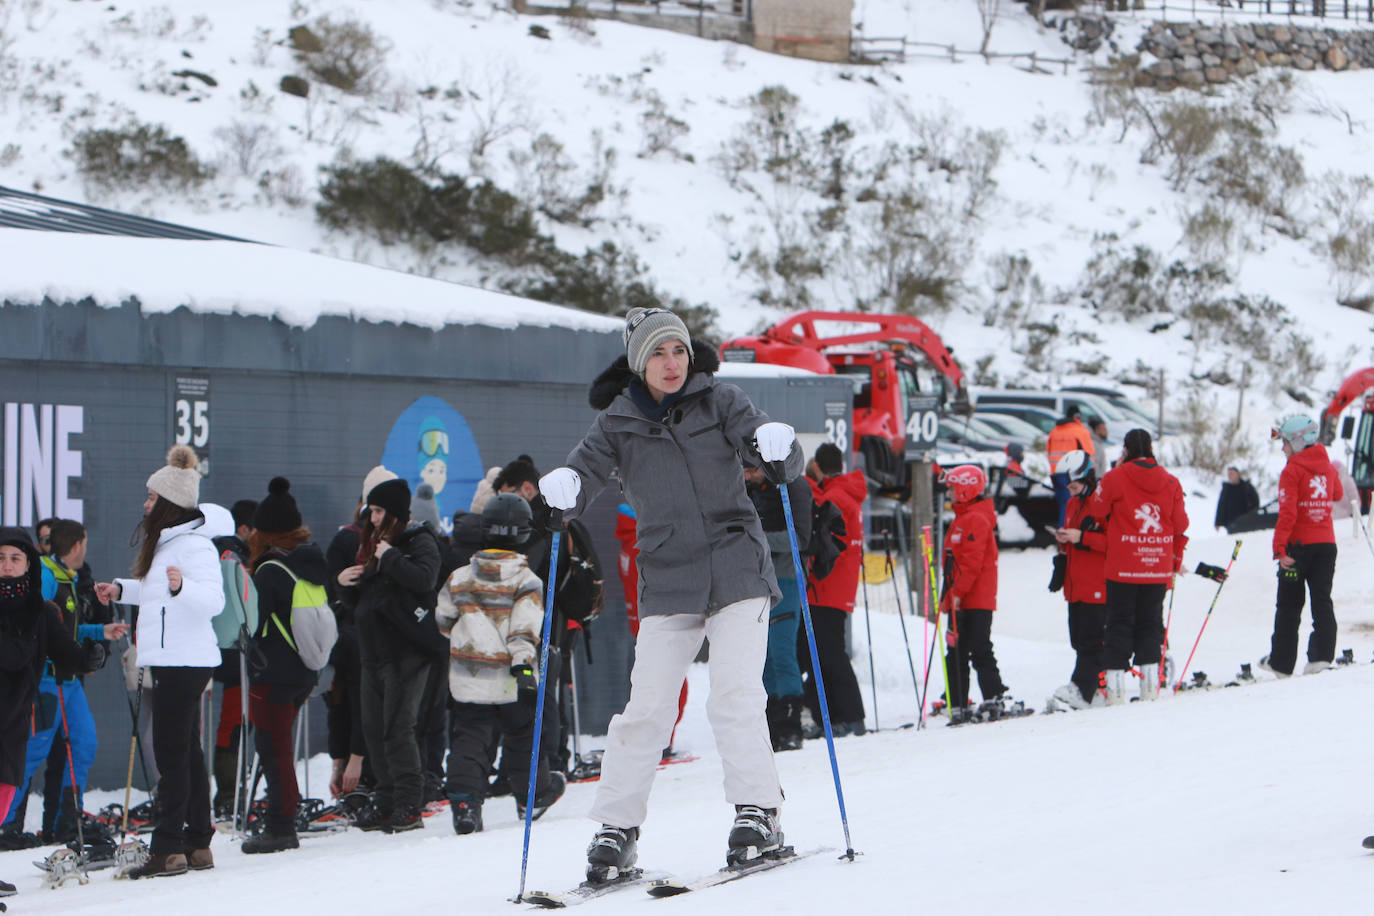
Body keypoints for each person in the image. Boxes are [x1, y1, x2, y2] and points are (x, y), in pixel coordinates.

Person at [538, 306, 804, 881]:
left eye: (679, 350)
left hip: (737, 568)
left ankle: (760, 812)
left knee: (733, 695)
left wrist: (777, 445)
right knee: (645, 709)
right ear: (638, 361)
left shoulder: (721, 400)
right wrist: (562, 493)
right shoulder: (616, 423)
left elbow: (769, 450)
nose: (671, 362)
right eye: (658, 352)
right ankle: (618, 828)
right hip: (669, 578)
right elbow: (582, 475)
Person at [95, 445, 230, 878]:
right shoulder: (169, 544)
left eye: (151, 498)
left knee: (172, 754)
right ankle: (196, 843)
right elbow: (156, 593)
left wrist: (180, 589)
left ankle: (168, 848)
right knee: (185, 751)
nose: (144, 504)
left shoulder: (193, 547)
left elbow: (212, 600)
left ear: (169, 503)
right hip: (175, 659)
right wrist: (121, 590)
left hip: (184, 661)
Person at [436, 493, 565, 835]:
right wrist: (523, 666)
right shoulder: (528, 582)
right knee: (523, 737)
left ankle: (465, 803)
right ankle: (531, 797)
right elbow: (525, 630)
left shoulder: (460, 578)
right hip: (513, 678)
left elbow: (443, 620)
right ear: (524, 533)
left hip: (470, 678)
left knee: (469, 739)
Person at [0, 527, 112, 892]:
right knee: (19, 768)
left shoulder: (42, 605)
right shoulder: (47, 583)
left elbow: (64, 645)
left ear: (27, 563)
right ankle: (17, 827)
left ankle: (62, 820)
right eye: (1, 558)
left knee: (9, 780)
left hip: (21, 706)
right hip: (32, 693)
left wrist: (89, 654)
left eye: (15, 558)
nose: (7, 565)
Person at [338, 477, 442, 834]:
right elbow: (367, 602)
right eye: (372, 510)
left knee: (399, 728)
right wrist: (346, 585)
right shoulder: (372, 544)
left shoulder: (419, 541)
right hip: (373, 653)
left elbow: (425, 580)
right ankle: (385, 799)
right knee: (374, 727)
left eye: (380, 511)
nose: (374, 517)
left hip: (407, 652)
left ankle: (408, 803)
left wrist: (390, 558)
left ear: (395, 513)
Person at [498, 456, 604, 778]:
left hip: (549, 617)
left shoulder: (543, 521)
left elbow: (537, 573)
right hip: (560, 616)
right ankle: (553, 758)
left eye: (510, 493)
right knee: (548, 689)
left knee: (543, 690)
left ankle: (551, 762)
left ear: (527, 488)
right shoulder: (553, 516)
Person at [241, 477, 324, 854]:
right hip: (305, 670)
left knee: (274, 750)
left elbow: (256, 626)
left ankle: (281, 826)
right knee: (280, 748)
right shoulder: (308, 562)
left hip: (272, 674)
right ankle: (281, 817)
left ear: (264, 532)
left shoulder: (268, 571)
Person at [1090, 429, 1188, 704]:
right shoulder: (1170, 481)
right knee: (1150, 625)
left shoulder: (1115, 478)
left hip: (1123, 566)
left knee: (1118, 624)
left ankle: (1116, 689)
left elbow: (1096, 511)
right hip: (1156, 566)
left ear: (1126, 449)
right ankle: (1149, 689)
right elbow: (1180, 524)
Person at [323, 466, 394, 801]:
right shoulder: (347, 539)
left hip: (379, 641)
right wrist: (339, 584)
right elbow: (326, 585)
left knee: (373, 707)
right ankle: (354, 771)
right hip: (351, 640)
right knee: (349, 701)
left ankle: (364, 772)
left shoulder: (399, 543)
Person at [1261, 416, 1342, 678]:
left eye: (1285, 442)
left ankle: (1281, 664)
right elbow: (1337, 494)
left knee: (1289, 605)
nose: (1283, 448)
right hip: (1326, 545)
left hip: (1298, 548)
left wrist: (1279, 550)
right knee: (1322, 601)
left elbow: (1287, 512)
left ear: (1297, 442)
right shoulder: (1327, 467)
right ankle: (1320, 658)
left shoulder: (1292, 470)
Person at [799, 442, 867, 736]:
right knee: (822, 653)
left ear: (817, 467)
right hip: (834, 588)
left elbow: (821, 526)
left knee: (827, 653)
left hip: (827, 588)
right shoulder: (846, 493)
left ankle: (847, 716)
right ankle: (834, 716)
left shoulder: (836, 496)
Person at [744, 459, 811, 751]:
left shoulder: (792, 487)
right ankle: (771, 722)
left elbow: (799, 538)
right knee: (764, 657)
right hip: (756, 580)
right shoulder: (747, 489)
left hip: (784, 575)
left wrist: (755, 540)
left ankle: (790, 723)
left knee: (782, 653)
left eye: (752, 470)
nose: (747, 476)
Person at [612, 503, 689, 756]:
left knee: (658, 680)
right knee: (671, 680)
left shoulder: (629, 543)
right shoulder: (645, 547)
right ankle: (663, 738)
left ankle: (660, 736)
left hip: (644, 623)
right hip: (659, 621)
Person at [937, 465, 1007, 713]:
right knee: (955, 651)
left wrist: (956, 593)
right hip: (960, 597)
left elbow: (971, 563)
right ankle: (956, 700)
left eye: (953, 488)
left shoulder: (975, 519)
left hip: (975, 598)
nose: (949, 493)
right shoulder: (962, 518)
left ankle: (994, 695)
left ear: (966, 490)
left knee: (979, 647)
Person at [1048, 451, 1109, 710]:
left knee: (1091, 641)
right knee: (1078, 639)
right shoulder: (1073, 504)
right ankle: (1094, 689)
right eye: (1068, 488)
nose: (1071, 493)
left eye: (1074, 487)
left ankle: (1083, 688)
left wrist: (1082, 537)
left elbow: (1112, 543)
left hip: (1096, 585)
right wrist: (1065, 539)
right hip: (1075, 585)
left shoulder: (1103, 502)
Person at [210, 498, 255, 820]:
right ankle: (229, 796)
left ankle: (225, 796)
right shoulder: (232, 559)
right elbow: (248, 609)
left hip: (205, 650)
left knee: (226, 728)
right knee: (234, 727)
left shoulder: (198, 557)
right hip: (237, 653)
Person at [1047, 410, 1096, 526]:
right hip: (1075, 476)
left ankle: (1062, 537)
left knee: (1064, 506)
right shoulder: (1080, 431)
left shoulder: (1054, 432)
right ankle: (1067, 537)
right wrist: (1092, 476)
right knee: (1073, 508)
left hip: (1057, 475)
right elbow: (1089, 455)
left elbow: (1049, 453)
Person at [1214, 467, 1259, 531]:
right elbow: (1221, 505)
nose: (1230, 476)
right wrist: (1218, 522)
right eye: (1229, 474)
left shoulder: (1246, 487)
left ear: (1238, 474)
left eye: (1232, 474)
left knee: (1243, 539)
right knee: (1237, 540)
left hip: (1246, 521)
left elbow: (1255, 502)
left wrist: (1253, 515)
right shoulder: (1226, 489)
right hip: (1231, 523)